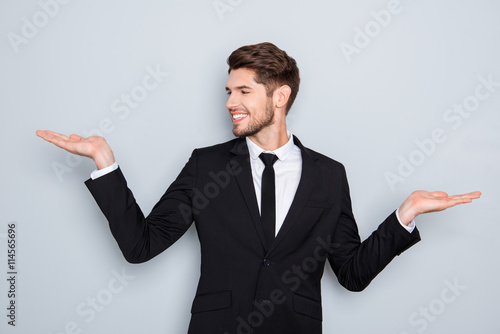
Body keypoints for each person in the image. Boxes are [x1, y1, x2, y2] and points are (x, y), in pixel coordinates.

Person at [36, 42, 480, 334]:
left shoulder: (329, 175)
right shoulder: (206, 166)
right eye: (228, 91)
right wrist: (105, 163)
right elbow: (140, 246)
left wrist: (406, 214)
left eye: (243, 91)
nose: (230, 102)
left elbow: (352, 274)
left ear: (279, 96)